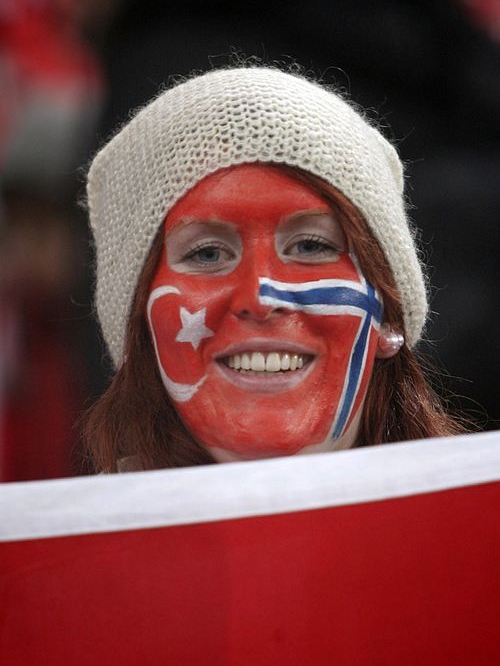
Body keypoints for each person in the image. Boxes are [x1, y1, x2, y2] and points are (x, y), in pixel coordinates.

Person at [84, 66, 466, 473]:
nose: (260, 297)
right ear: (137, 328)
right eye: (207, 254)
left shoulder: (475, 531)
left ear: (390, 316)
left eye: (310, 246)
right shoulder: (72, 537)